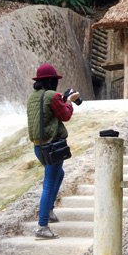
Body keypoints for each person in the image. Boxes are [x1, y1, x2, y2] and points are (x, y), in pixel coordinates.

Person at [26, 64, 80, 240]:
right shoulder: (52, 95)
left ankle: (48, 212)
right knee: (49, 183)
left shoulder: (32, 98)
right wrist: (69, 101)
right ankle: (42, 226)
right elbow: (65, 115)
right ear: (50, 81)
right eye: (55, 80)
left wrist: (63, 100)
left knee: (59, 174)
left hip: (38, 147)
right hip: (53, 146)